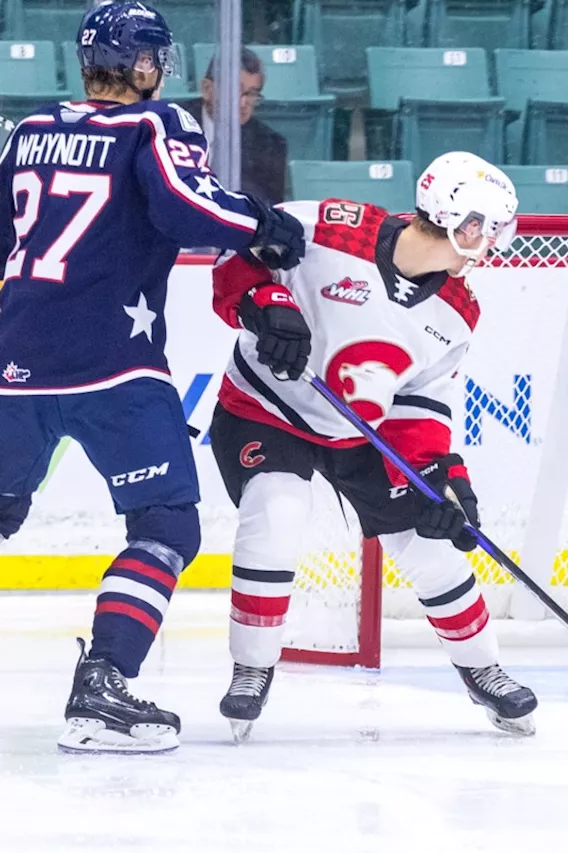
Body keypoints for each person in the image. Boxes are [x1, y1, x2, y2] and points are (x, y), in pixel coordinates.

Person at [0, 2, 305, 754]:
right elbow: (187, 207)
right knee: (166, 522)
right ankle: (104, 680)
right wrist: (264, 225)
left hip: (12, 361)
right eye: (155, 59)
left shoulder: (30, 129)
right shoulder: (154, 124)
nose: (159, 72)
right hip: (112, 364)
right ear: (141, 64)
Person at [207, 151, 538, 742]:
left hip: (362, 430)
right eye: (488, 227)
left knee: (429, 545)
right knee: (277, 513)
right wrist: (265, 305)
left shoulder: (459, 312)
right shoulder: (328, 226)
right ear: (459, 221)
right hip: (266, 409)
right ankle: (251, 668)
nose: (493, 241)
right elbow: (238, 260)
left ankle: (483, 668)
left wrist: (444, 478)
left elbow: (419, 403)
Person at [177, 49, 287, 205]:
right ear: (207, 89)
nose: (243, 104)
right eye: (235, 91)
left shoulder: (270, 145)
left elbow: (267, 210)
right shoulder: (172, 124)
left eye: (251, 94)